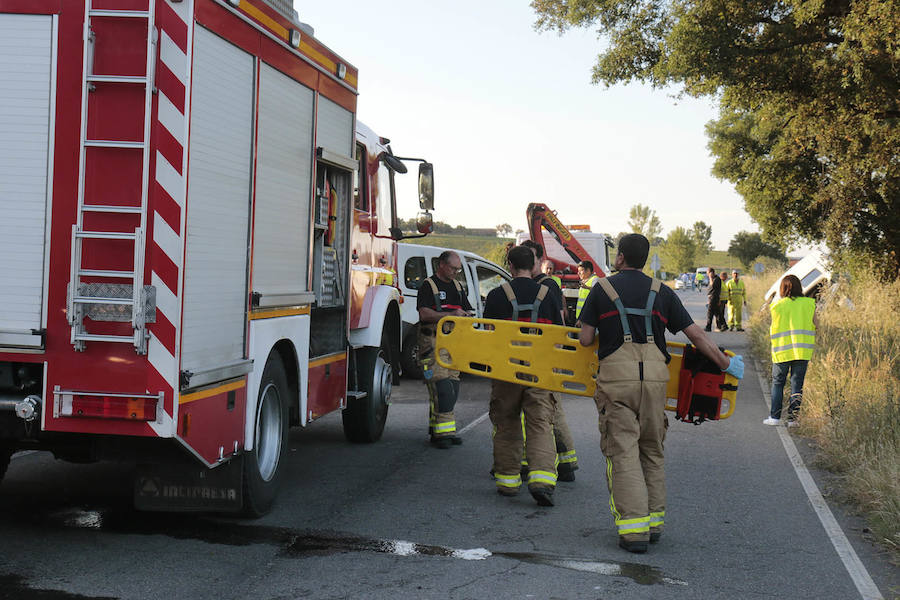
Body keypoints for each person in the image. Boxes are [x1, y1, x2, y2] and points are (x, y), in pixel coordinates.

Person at [578, 234, 744, 554]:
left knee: (623, 450)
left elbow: (586, 339)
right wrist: (726, 364)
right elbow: (697, 336)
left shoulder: (601, 289)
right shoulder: (662, 292)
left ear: (621, 257)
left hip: (617, 380)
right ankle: (653, 523)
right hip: (655, 378)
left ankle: (634, 529)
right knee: (652, 449)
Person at [484, 245, 564, 506]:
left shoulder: (497, 296)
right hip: (539, 370)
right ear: (533, 266)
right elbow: (559, 334)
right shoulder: (549, 295)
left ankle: (508, 482)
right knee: (540, 423)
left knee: (506, 421)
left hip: (506, 369)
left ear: (510, 265)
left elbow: (487, 334)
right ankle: (542, 481)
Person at [522, 242, 578, 481]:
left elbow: (557, 323)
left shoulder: (546, 286)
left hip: (544, 355)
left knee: (543, 410)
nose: (532, 263)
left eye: (532, 258)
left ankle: (540, 464)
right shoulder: (542, 285)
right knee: (552, 408)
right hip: (542, 354)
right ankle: (565, 463)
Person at [417, 251, 474, 449]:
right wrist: (450, 314)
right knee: (441, 389)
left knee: (452, 388)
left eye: (458, 269)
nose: (456, 273)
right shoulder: (428, 285)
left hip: (453, 345)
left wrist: (465, 315)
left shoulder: (458, 286)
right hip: (433, 344)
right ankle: (444, 434)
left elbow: (467, 309)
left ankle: (439, 429)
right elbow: (424, 314)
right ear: (441, 265)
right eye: (453, 268)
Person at [764, 274, 816, 427]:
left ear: (782, 288)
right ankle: (793, 420)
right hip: (802, 351)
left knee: (778, 383)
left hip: (782, 351)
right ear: (800, 287)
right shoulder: (809, 304)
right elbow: (816, 324)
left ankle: (774, 418)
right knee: (797, 384)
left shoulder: (776, 306)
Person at [575, 260, 600, 324]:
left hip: (588, 318)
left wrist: (587, 287)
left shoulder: (595, 279)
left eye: (581, 271)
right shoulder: (583, 282)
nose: (579, 273)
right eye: (578, 271)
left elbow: (597, 292)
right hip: (581, 317)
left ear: (588, 270)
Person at [704, 267, 725, 331]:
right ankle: (724, 325)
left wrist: (710, 278)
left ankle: (708, 327)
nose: (708, 275)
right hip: (712, 297)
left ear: (712, 273)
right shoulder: (714, 279)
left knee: (710, 313)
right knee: (718, 313)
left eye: (708, 273)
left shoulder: (716, 279)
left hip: (714, 298)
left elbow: (712, 285)